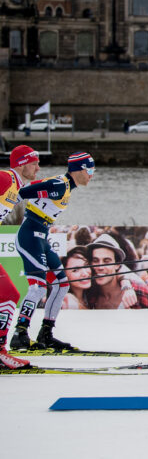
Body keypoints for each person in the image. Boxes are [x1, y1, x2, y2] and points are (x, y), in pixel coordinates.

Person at [10, 152, 95, 352]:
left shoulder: (64, 186)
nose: (91, 175)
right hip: (29, 236)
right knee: (38, 287)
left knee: (61, 284)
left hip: (41, 238)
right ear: (79, 170)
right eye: (89, 170)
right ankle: (19, 333)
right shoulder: (59, 185)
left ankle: (46, 334)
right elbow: (21, 192)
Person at [0, 145, 41, 368]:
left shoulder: (17, 186)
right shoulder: (6, 178)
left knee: (8, 294)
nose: (38, 167)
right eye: (34, 162)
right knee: (8, 293)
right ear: (22, 164)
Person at [82, 234, 148, 310]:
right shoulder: (89, 293)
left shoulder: (139, 291)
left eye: (106, 261)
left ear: (117, 265)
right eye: (95, 261)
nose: (100, 267)